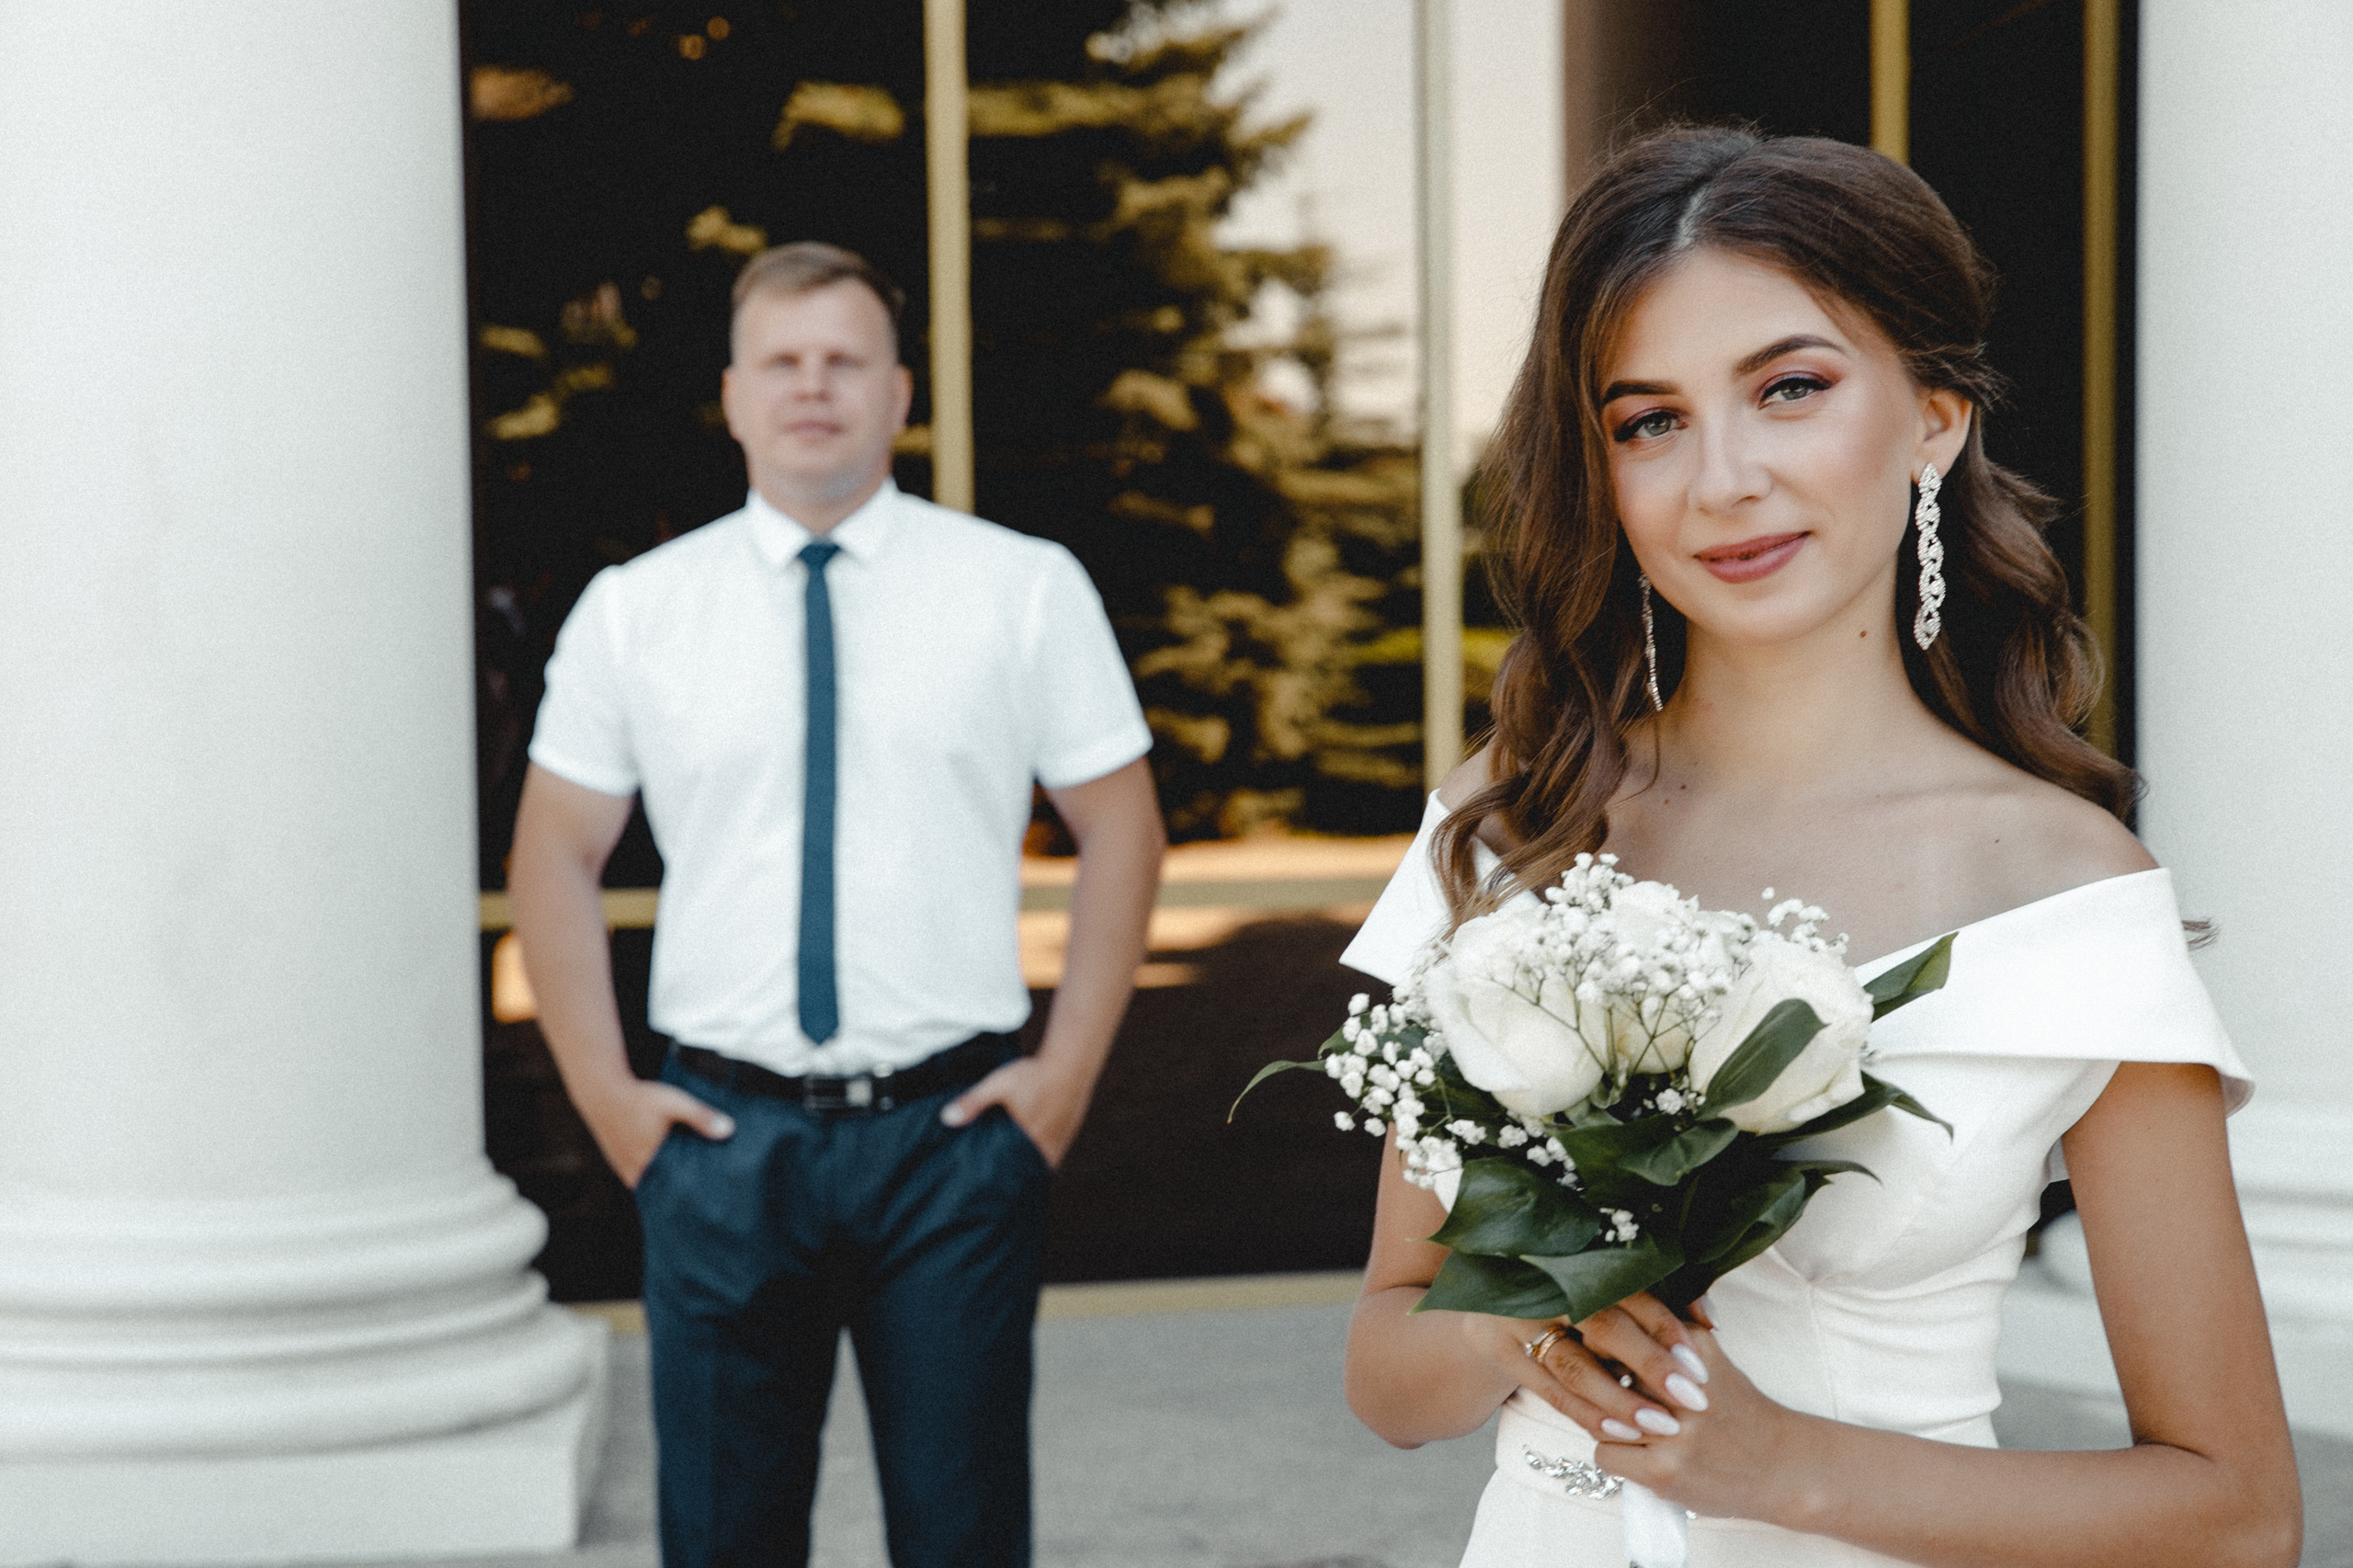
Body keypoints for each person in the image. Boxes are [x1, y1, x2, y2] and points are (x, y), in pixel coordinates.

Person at [1336, 129, 2302, 1567]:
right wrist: (1537, 1296)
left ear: (1934, 414)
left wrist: (1782, 1466)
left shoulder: (2063, 890)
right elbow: (1389, 1374)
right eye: (1646, 420)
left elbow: (2236, 1517)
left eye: (1790, 389)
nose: (1722, 478)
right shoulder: (1523, 816)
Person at [508, 242, 1165, 1568]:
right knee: (725, 1539)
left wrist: (1064, 1078)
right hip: (720, 1147)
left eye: (844, 360)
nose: (814, 387)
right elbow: (552, 858)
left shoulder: (1020, 587)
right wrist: (613, 1106)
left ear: (900, 392)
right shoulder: (639, 613)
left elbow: (1124, 829)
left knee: (962, 1533)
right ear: (736, 396)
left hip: (952, 1145)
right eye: (783, 362)